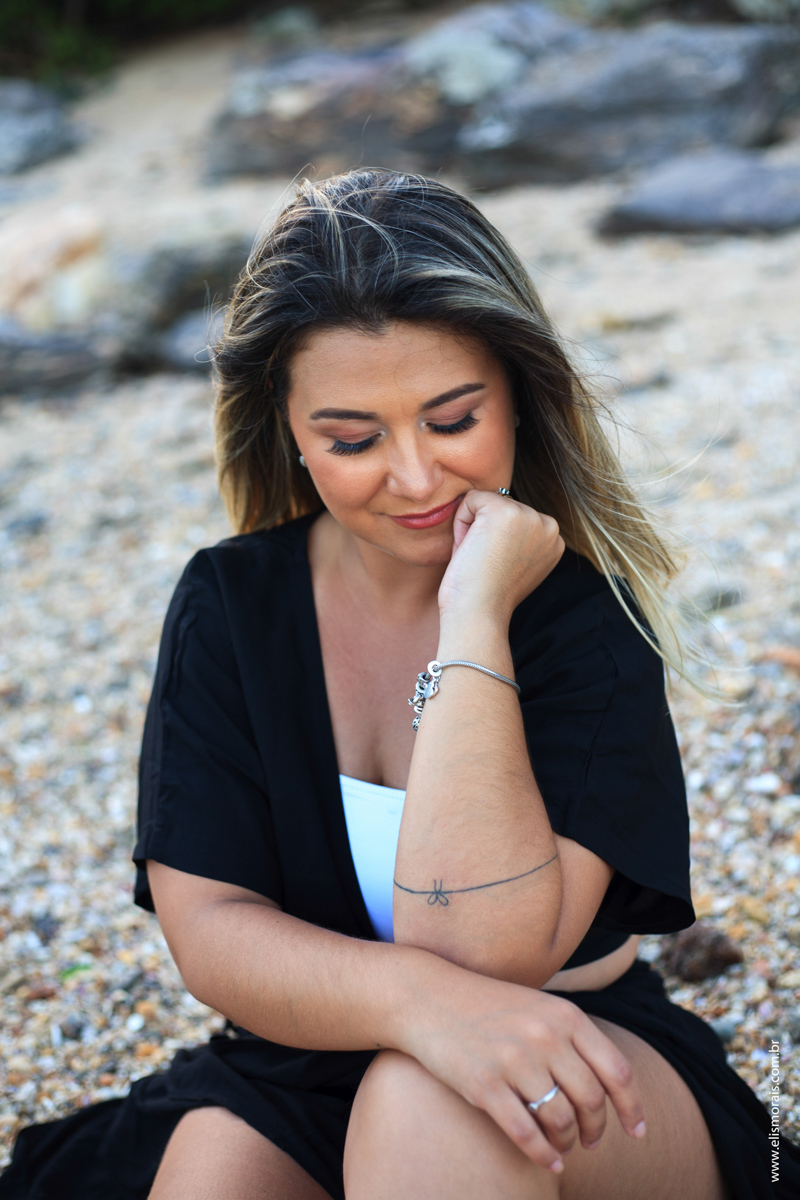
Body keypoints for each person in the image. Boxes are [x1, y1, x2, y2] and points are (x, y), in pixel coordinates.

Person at [2, 169, 799, 1200]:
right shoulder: (230, 604)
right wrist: (419, 1006)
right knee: (211, 1177)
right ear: (289, 428)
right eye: (353, 439)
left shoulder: (586, 624)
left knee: (429, 1105)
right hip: (297, 1057)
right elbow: (213, 930)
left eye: (452, 420)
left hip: (569, 1041)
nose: (416, 479)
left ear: (518, 394)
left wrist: (474, 617)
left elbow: (485, 952)